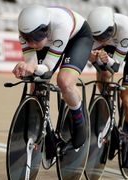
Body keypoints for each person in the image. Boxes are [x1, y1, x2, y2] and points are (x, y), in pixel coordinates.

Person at [12, 4, 93, 149]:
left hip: (78, 38)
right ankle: (43, 130)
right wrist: (25, 67)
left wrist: (34, 67)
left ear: (45, 30)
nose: (31, 43)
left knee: (64, 82)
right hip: (51, 41)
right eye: (27, 39)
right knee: (36, 83)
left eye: (35, 38)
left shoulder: (61, 24)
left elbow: (48, 68)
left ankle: (79, 121)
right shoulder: (25, 31)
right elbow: (32, 63)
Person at [87, 6, 128, 168]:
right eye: (97, 37)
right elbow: (98, 66)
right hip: (113, 48)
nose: (101, 39)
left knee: (127, 98)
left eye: (105, 35)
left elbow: (115, 67)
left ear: (112, 27)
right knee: (103, 78)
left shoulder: (125, 27)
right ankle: (109, 109)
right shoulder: (97, 34)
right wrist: (94, 59)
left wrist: (104, 60)